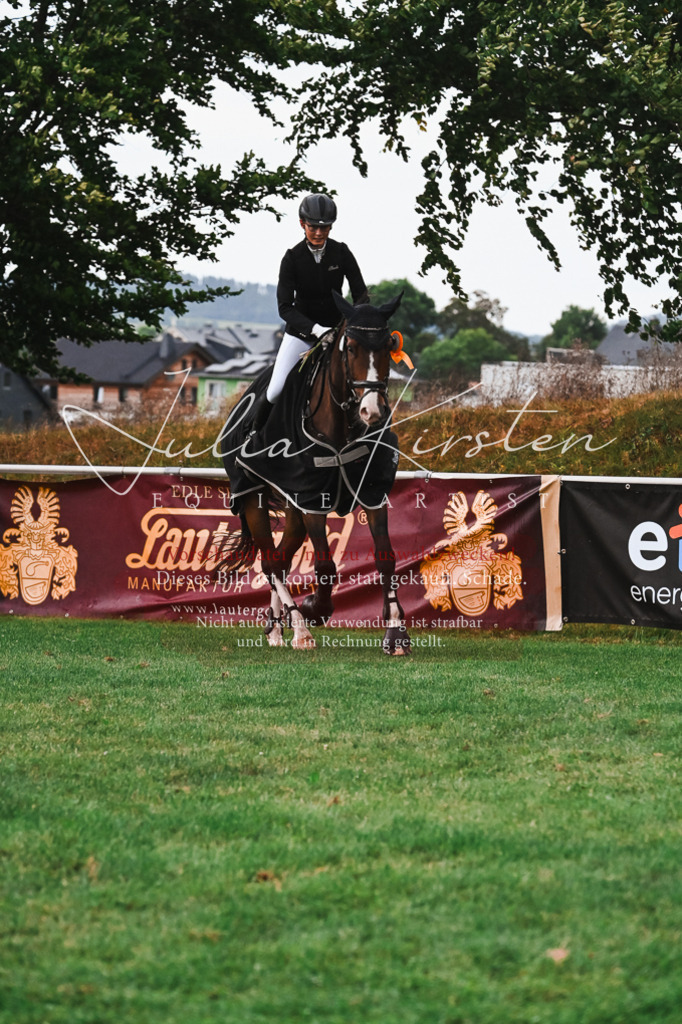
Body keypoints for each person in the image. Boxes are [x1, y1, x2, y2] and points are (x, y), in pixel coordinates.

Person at [250, 193, 368, 430]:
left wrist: (353, 325)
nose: (318, 233)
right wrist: (315, 330)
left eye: (324, 228)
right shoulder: (292, 258)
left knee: (362, 381)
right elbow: (284, 307)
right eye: (313, 227)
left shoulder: (341, 252)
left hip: (337, 333)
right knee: (275, 390)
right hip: (301, 335)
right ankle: (253, 434)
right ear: (302, 224)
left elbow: (361, 295)